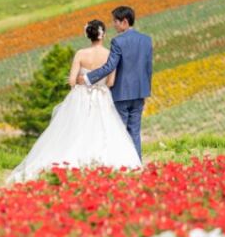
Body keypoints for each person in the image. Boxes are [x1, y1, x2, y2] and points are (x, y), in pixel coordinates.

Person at [7, 19, 142, 183]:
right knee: (104, 130)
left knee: (75, 130)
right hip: (101, 96)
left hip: (80, 97)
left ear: (88, 35)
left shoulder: (80, 53)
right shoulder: (109, 54)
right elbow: (111, 82)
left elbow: (71, 81)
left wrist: (81, 82)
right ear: (103, 35)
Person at [78, 6, 152, 159]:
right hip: (140, 93)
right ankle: (136, 164)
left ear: (124, 22)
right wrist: (145, 90)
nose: (113, 25)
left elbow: (110, 66)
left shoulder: (117, 41)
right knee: (134, 131)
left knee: (118, 131)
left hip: (121, 93)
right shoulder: (146, 40)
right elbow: (148, 68)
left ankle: (121, 163)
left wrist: (87, 78)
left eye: (115, 22)